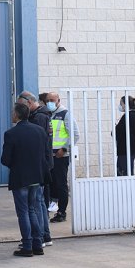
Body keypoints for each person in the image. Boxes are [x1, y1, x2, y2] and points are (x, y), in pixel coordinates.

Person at [1, 102, 49, 257]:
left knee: (23, 212)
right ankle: (38, 243)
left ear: (17, 114)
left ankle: (27, 246)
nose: (11, 115)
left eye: (12, 112)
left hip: (20, 178)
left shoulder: (11, 134)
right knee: (33, 209)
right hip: (36, 176)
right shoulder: (40, 131)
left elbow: (5, 160)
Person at [17, 91, 54, 247]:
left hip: (38, 166)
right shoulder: (42, 115)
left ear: (28, 103)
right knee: (39, 202)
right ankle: (44, 236)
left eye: (20, 105)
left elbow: (36, 145)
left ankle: (39, 236)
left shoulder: (38, 118)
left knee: (36, 203)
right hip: (42, 165)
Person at [47, 92, 80, 223]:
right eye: (47, 100)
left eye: (52, 100)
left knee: (61, 185)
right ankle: (53, 208)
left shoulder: (65, 114)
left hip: (61, 155)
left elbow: (75, 134)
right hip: (50, 155)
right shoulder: (49, 114)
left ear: (58, 100)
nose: (49, 102)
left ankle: (62, 212)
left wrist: (65, 149)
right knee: (51, 184)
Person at [115, 95, 135, 176]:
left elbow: (119, 130)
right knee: (128, 172)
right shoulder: (134, 115)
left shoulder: (128, 116)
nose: (120, 106)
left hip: (126, 150)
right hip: (131, 149)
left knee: (123, 174)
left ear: (126, 104)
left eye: (121, 104)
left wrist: (115, 130)